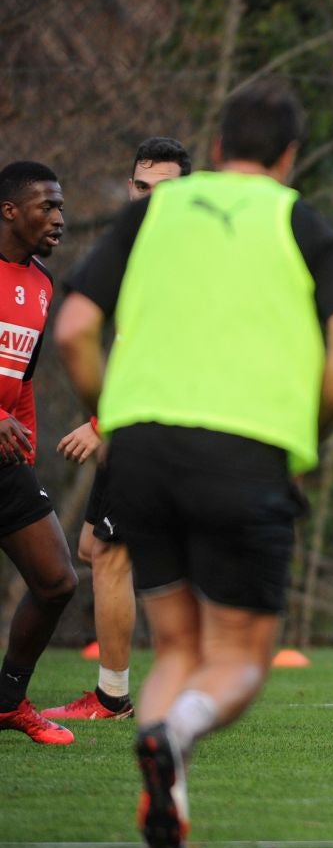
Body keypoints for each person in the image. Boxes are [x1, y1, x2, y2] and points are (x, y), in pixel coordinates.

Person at [56, 80, 333, 848]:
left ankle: (169, 823)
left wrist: (115, 413)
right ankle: (177, 732)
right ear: (289, 154)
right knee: (234, 657)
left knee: (176, 649)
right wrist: (313, 430)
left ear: (220, 140)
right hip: (246, 452)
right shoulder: (297, 219)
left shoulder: (151, 213)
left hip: (140, 452)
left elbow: (72, 328)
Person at [44, 137, 193, 723]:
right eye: (141, 186)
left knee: (107, 553)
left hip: (156, 425)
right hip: (138, 418)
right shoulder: (138, 251)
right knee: (95, 548)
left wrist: (105, 425)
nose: (151, 199)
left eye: (167, 189)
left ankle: (113, 698)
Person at [0, 161, 80, 745]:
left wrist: (22, 443)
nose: (59, 218)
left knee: (57, 580)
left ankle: (7, 701)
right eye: (46, 206)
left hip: (6, 461)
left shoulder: (43, 285)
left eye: (60, 208)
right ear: (9, 211)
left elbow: (22, 378)